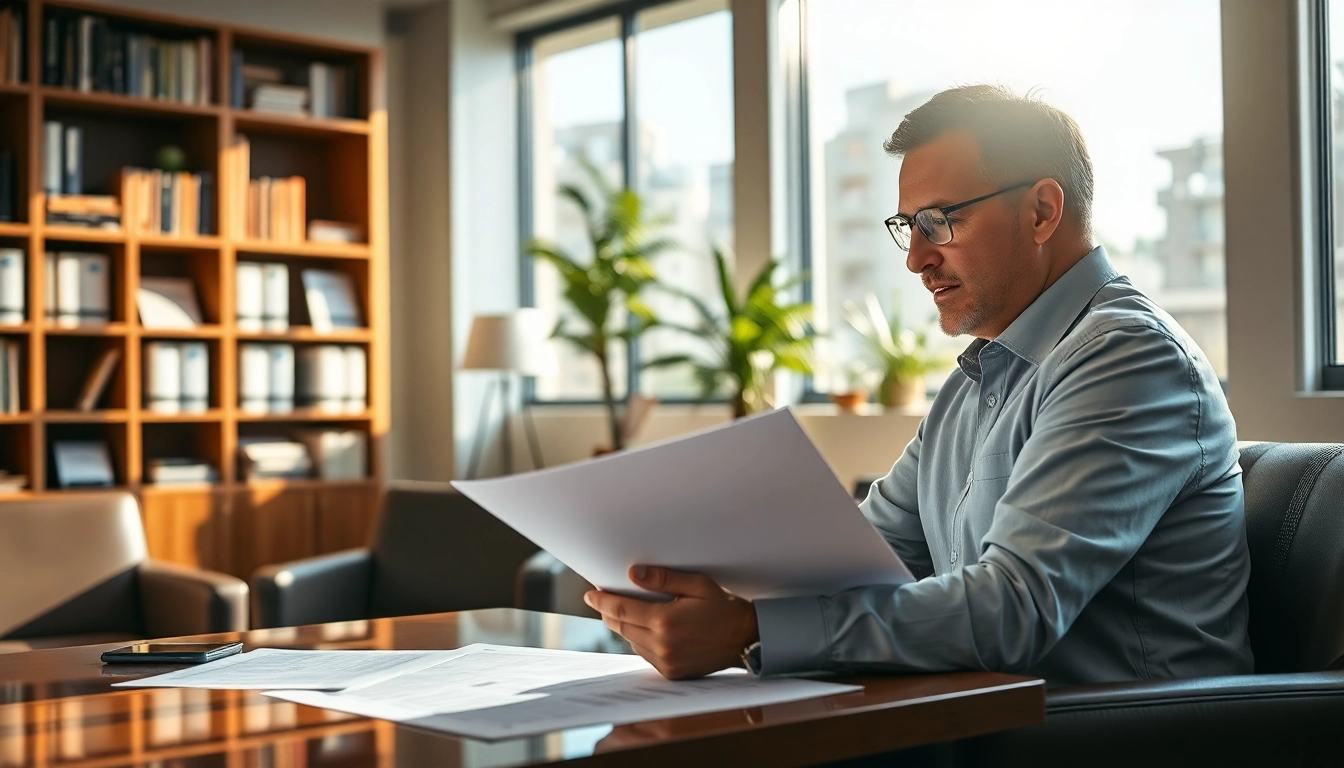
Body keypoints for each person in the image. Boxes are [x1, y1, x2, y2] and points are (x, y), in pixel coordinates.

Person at [583, 85, 1253, 686]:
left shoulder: (1128, 357)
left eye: (939, 222)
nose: (915, 258)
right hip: (992, 721)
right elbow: (859, 554)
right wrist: (698, 584)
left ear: (1043, 211)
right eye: (908, 227)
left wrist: (751, 628)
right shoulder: (976, 382)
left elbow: (1012, 609)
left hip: (1125, 737)